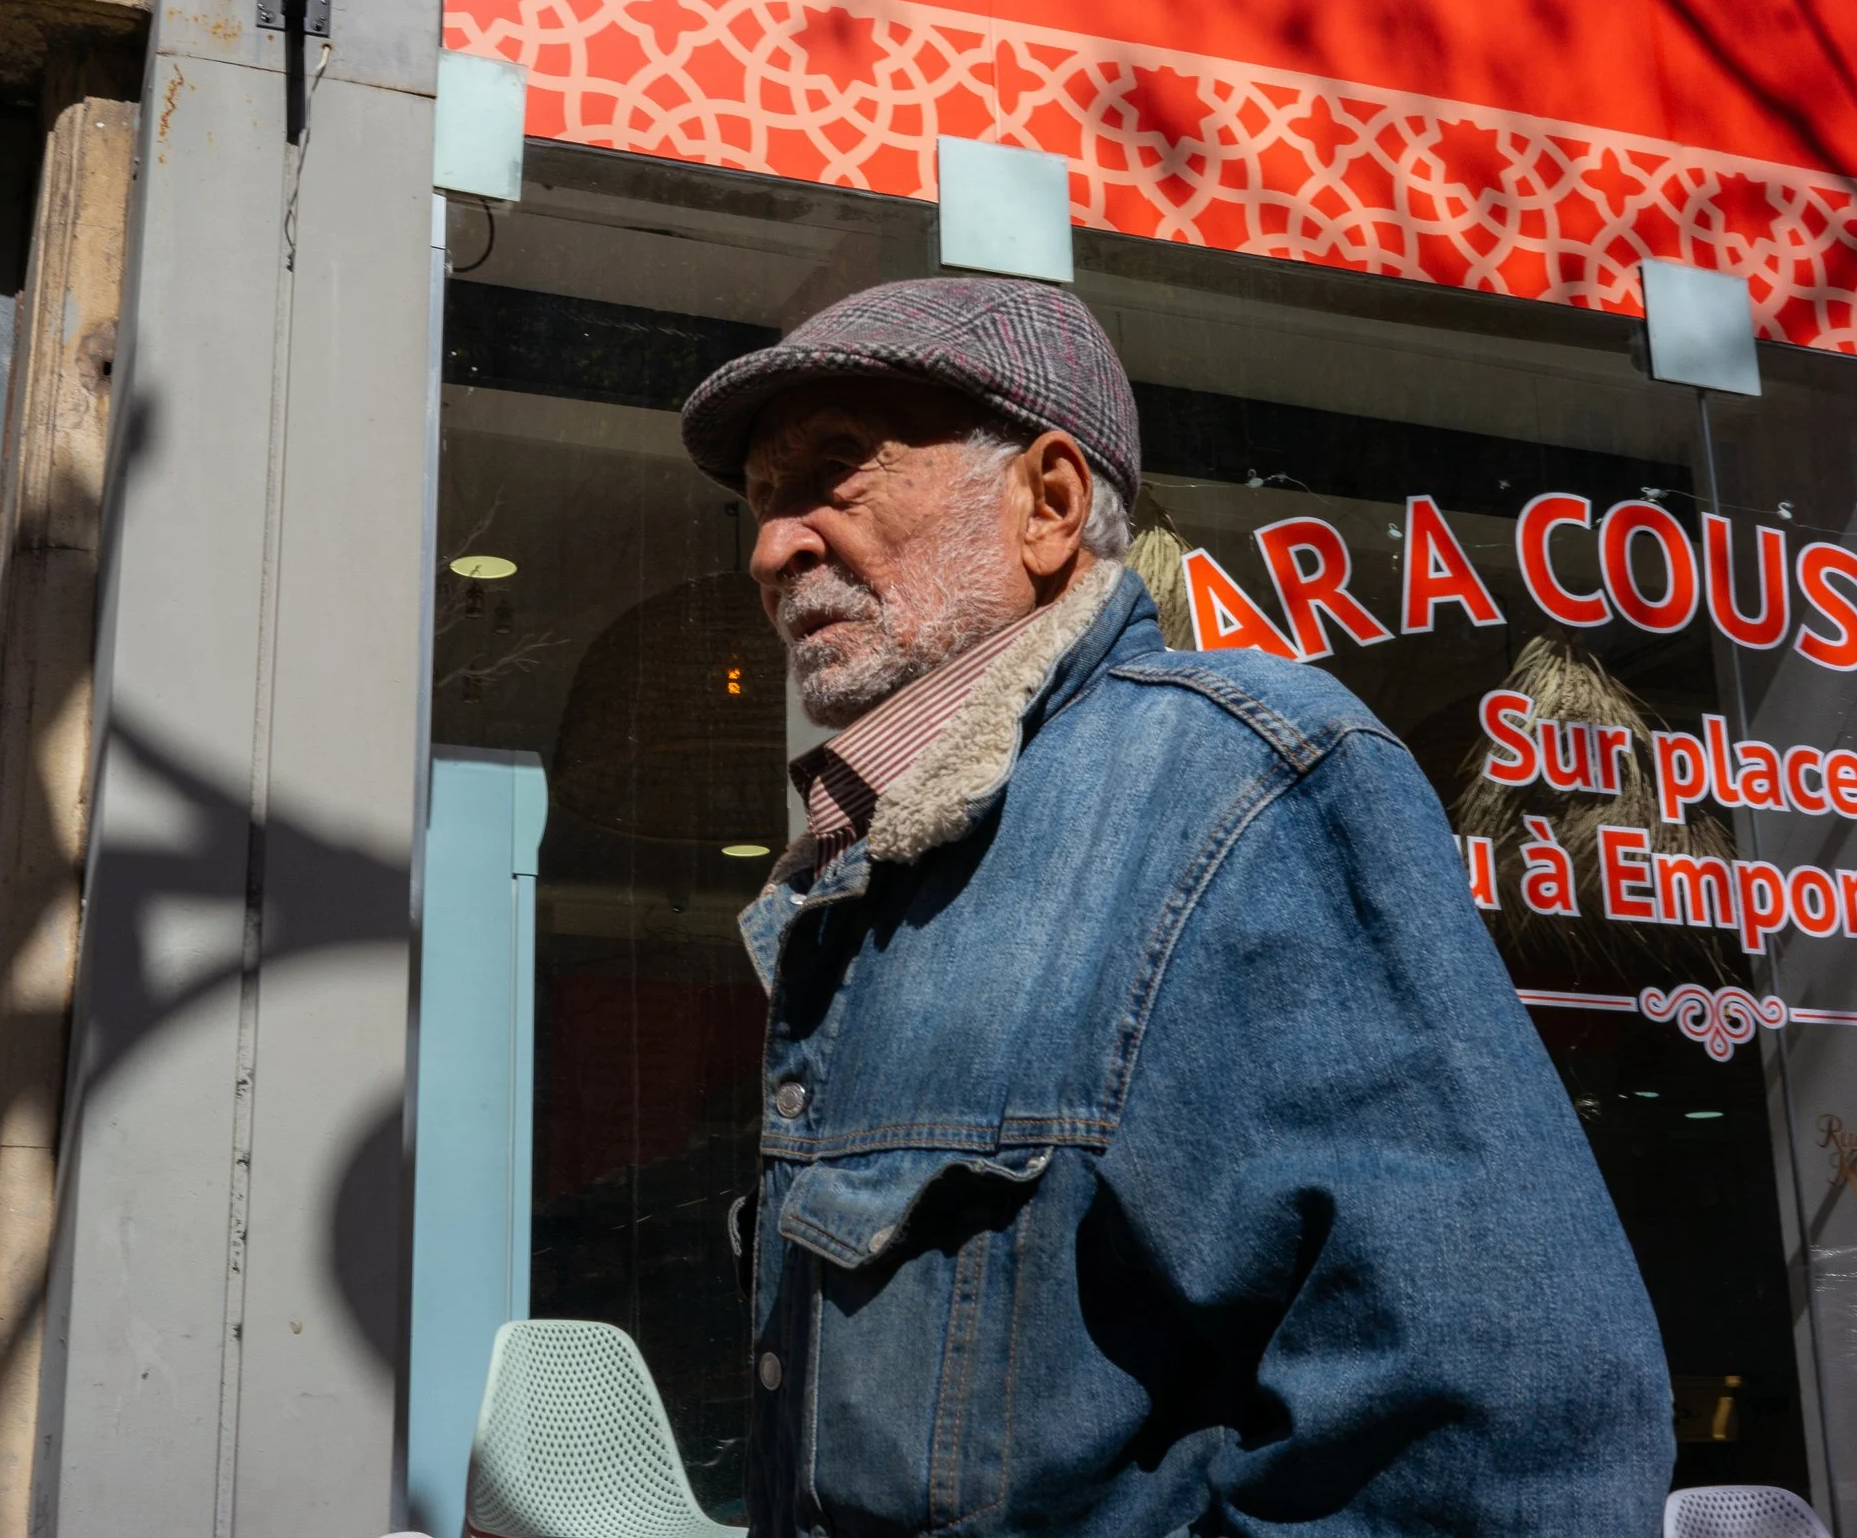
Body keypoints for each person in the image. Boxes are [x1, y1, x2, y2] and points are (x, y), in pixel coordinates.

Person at [679, 276, 1674, 1537]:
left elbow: (1497, 1440)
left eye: (835, 472)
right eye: (762, 501)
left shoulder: (1240, 784)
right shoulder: (874, 867)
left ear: (1047, 503)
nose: (772, 548)